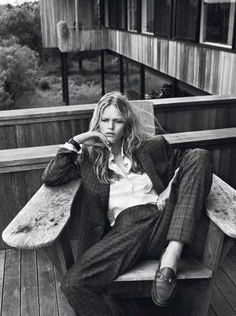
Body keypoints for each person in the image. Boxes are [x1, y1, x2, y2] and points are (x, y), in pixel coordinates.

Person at [42, 91, 213, 316]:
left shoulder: (153, 147)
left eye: (117, 121)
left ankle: (171, 256)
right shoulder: (88, 160)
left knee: (201, 155)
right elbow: (52, 177)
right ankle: (169, 257)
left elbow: (194, 161)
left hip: (165, 221)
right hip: (125, 233)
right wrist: (78, 140)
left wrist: (171, 185)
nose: (110, 127)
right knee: (73, 283)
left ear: (127, 124)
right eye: (105, 120)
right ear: (97, 123)